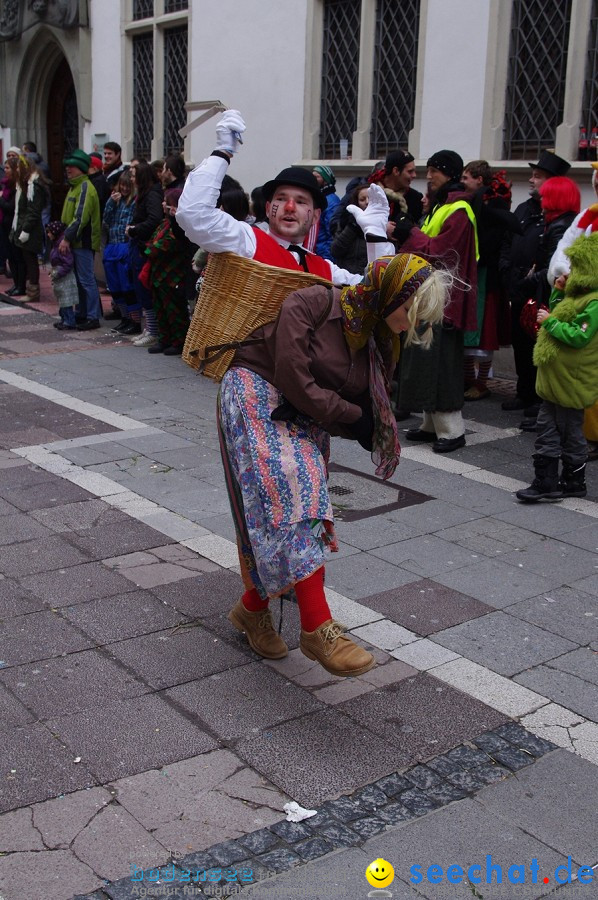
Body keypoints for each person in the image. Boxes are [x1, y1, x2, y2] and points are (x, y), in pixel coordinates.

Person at [220, 253, 450, 676]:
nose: (418, 325)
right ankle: (317, 627)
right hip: (256, 390)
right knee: (295, 494)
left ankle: (252, 608)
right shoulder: (312, 302)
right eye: (414, 312)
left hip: (307, 413)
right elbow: (292, 373)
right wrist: (353, 416)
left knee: (292, 511)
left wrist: (364, 422)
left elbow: (356, 406)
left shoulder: (380, 343)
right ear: (390, 296)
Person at [176, 110, 394, 287]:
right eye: (281, 199)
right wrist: (222, 153)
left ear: (316, 215)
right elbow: (194, 215)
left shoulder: (325, 269)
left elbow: (374, 296)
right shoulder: (245, 240)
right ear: (269, 206)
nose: (289, 207)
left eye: (301, 202)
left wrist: (377, 239)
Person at [393, 150, 479, 452]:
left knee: (442, 362)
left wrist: (410, 232)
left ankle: (452, 430)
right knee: (426, 358)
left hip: (444, 297)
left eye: (435, 171)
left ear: (450, 174)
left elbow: (442, 252)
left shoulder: (458, 211)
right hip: (429, 293)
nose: (429, 177)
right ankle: (432, 424)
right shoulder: (443, 207)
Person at [516, 232, 598, 502]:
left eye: (576, 267)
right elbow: (560, 313)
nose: (570, 271)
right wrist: (558, 293)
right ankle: (546, 481)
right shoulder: (578, 296)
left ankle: (572, 480)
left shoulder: (594, 303)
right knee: (547, 427)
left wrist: (550, 322)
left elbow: (579, 336)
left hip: (571, 379)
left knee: (571, 432)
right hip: (557, 376)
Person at [499, 149, 570, 415]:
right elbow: (508, 241)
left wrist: (532, 279)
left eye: (537, 176)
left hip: (540, 290)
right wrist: (506, 268)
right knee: (519, 342)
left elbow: (553, 259)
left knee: (537, 343)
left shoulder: (557, 214)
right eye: (532, 175)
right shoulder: (523, 209)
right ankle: (524, 392)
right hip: (518, 287)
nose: (531, 180)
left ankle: (538, 399)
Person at [517, 176, 580, 431]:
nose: (541, 199)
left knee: (547, 351)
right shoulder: (552, 224)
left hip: (552, 296)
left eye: (546, 195)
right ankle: (538, 405)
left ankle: (543, 408)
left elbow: (555, 268)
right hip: (545, 293)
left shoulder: (562, 227)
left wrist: (531, 280)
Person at [548, 161, 598, 460]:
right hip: (581, 301)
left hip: (591, 303)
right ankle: (588, 434)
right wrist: (564, 275)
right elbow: (564, 253)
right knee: (586, 374)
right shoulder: (587, 217)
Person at [461, 160, 519, 400]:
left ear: (479, 180)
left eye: (467, 177)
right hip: (472, 273)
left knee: (484, 332)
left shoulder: (494, 206)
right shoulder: (468, 202)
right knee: (467, 330)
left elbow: (490, 242)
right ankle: (468, 379)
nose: (462, 181)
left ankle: (481, 381)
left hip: (487, 276)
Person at [144, 187, 191, 355]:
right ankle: (164, 339)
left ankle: (178, 341)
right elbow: (152, 240)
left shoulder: (179, 225)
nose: (163, 204)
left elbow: (165, 245)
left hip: (172, 275)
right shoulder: (164, 223)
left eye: (167, 202)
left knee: (174, 310)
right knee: (161, 309)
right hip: (158, 275)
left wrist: (149, 249)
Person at [60, 149, 103, 330]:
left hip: (83, 242)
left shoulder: (85, 187)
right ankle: (82, 314)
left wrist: (67, 238)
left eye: (72, 166)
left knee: (86, 280)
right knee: (79, 281)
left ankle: (93, 317)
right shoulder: (75, 186)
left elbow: (80, 217)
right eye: (67, 166)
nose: (68, 169)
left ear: (81, 168)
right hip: (75, 241)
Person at [124, 160, 164, 345]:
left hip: (143, 246)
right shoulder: (144, 194)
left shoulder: (152, 195)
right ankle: (148, 328)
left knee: (145, 287)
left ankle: (153, 331)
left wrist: (134, 229)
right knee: (140, 287)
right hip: (138, 245)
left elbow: (154, 219)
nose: (131, 179)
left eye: (133, 175)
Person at [9, 155, 48, 302]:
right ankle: (30, 289)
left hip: (31, 229)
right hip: (23, 226)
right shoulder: (25, 184)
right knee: (27, 258)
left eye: (19, 167)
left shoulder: (34, 185)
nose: (17, 170)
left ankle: (33, 292)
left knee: (31, 260)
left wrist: (25, 230)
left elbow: (33, 211)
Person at [102, 169, 136, 332]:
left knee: (127, 287)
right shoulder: (115, 201)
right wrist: (110, 203)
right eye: (122, 185)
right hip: (112, 245)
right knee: (115, 287)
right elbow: (106, 221)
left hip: (124, 245)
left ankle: (134, 321)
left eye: (127, 185)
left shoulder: (134, 202)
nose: (124, 189)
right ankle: (124, 318)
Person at [330, 182, 369, 274]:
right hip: (347, 279)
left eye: (370, 199)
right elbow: (335, 250)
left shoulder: (385, 224)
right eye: (362, 199)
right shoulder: (346, 221)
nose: (367, 202)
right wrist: (352, 227)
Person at [46, 220, 78, 329]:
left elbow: (68, 263)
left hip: (65, 278)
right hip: (60, 277)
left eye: (49, 232)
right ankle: (64, 319)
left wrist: (58, 272)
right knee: (62, 300)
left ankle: (69, 321)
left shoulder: (61, 246)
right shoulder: (56, 244)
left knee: (66, 301)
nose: (48, 234)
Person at [307, 165, 341, 260]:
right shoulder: (317, 198)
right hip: (314, 251)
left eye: (317, 177)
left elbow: (331, 232)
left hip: (323, 254)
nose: (313, 179)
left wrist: (327, 258)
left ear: (326, 180)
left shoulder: (331, 201)